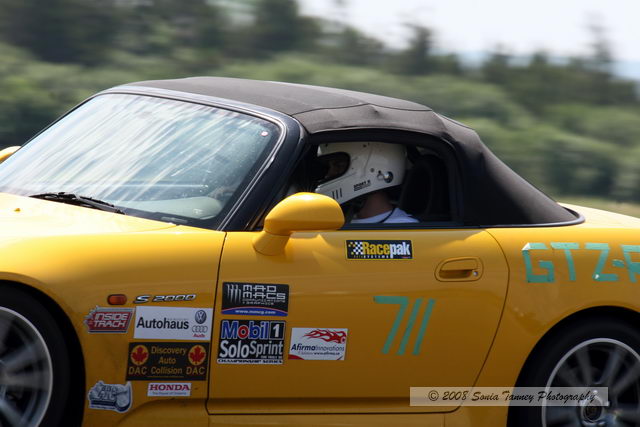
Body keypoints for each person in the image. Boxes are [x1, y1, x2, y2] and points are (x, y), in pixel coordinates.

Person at [314, 142, 418, 224]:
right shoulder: (341, 221)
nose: (328, 174)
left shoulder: (403, 230)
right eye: (331, 167)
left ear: (373, 169)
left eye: (339, 165)